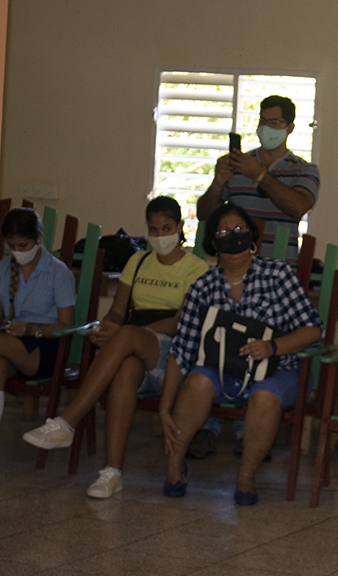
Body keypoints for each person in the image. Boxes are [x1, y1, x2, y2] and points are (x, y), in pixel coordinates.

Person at [22, 197, 208, 498]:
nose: (160, 236)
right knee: (124, 371)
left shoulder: (195, 268)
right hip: (135, 345)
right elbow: (118, 312)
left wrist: (126, 333)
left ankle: (67, 421)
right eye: (153, 229)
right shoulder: (138, 261)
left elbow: (178, 323)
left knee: (127, 337)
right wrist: (107, 327)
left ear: (180, 228)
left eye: (167, 228)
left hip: (174, 354)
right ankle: (112, 472)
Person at [159, 202, 322, 505]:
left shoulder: (278, 276)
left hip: (278, 368)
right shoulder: (202, 287)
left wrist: (273, 346)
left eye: (239, 230)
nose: (232, 237)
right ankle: (174, 467)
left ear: (252, 237)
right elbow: (181, 352)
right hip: (221, 370)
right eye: (223, 232)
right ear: (212, 243)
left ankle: (246, 477)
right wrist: (164, 409)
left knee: (264, 397)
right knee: (195, 383)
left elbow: (313, 330)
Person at [196, 94, 319, 264]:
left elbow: (298, 207)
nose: (266, 127)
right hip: (235, 266)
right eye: (262, 121)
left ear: (289, 127)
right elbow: (203, 214)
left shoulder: (304, 169)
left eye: (274, 122)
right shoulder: (238, 164)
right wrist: (217, 183)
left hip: (281, 269)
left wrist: (259, 175)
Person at [0, 208, 75, 423]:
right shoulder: (4, 269)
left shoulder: (57, 272)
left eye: (23, 246)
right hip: (12, 342)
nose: (17, 251)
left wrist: (32, 329)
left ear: (38, 239)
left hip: (46, 345)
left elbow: (67, 326)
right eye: (12, 246)